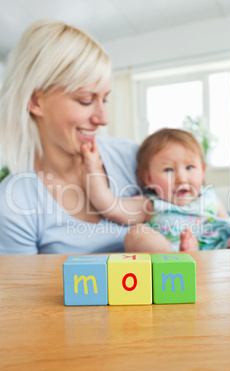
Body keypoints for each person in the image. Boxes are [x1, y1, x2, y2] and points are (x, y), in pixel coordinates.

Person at [0, 19, 139, 254]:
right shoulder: (13, 204)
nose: (103, 118)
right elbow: (24, 290)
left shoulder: (131, 157)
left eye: (104, 99)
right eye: (85, 100)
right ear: (35, 101)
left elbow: (204, 209)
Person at [84, 128, 230, 252]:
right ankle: (178, 264)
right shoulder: (150, 204)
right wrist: (93, 169)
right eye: (168, 170)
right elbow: (110, 206)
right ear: (148, 178)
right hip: (169, 258)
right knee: (137, 233)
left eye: (189, 167)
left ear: (202, 170)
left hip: (217, 260)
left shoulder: (210, 199)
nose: (181, 178)